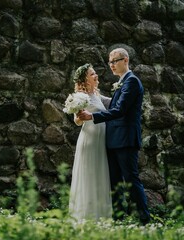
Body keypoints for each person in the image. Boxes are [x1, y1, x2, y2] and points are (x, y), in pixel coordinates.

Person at [77, 48, 150, 225]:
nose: (111, 65)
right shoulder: (121, 83)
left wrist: (93, 116)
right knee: (115, 184)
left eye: (114, 61)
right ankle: (119, 219)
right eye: (109, 62)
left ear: (125, 60)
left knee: (131, 180)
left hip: (125, 139)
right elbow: (109, 103)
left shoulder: (131, 82)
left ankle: (144, 221)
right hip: (112, 141)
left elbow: (120, 110)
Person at [68, 63, 112, 221]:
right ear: (85, 80)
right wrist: (79, 116)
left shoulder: (98, 96)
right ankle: (87, 217)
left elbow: (116, 104)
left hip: (101, 141)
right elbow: (77, 122)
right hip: (90, 140)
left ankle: (102, 216)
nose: (96, 76)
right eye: (92, 74)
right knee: (90, 175)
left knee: (100, 174)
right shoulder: (80, 97)